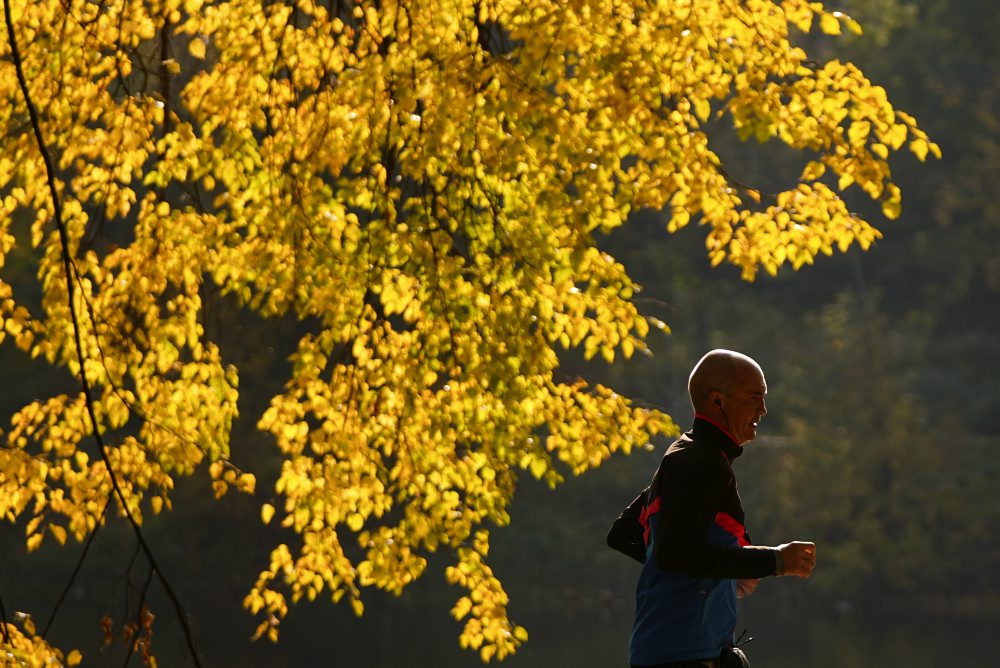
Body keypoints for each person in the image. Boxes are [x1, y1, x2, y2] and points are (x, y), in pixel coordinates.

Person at [607, 349, 816, 668]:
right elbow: (675, 553)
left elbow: (627, 535)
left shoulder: (684, 456)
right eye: (754, 397)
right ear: (718, 400)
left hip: (671, 652)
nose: (763, 409)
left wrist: (721, 577)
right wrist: (775, 560)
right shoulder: (702, 463)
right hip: (683, 656)